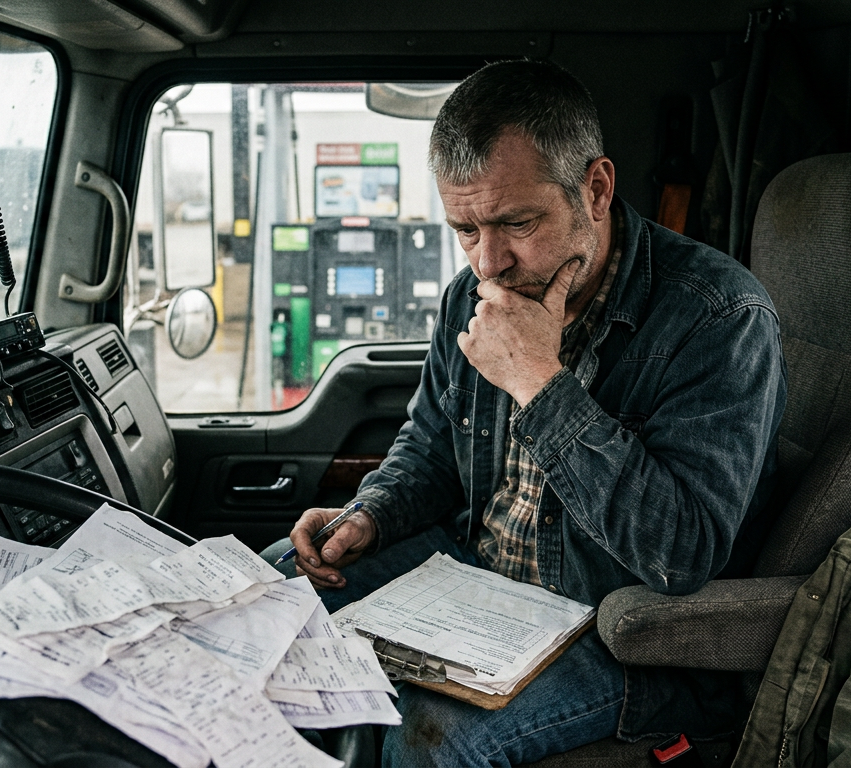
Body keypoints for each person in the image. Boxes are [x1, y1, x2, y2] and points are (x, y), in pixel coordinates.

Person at [261, 59, 787, 767]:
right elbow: (431, 447)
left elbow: (679, 552)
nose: (489, 262)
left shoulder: (718, 319)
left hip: (617, 629)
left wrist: (540, 381)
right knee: (263, 605)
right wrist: (372, 513)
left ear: (595, 189)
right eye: (465, 229)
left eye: (517, 222)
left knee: (421, 739)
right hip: (478, 573)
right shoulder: (468, 296)